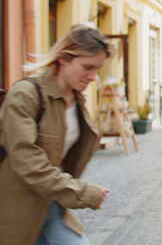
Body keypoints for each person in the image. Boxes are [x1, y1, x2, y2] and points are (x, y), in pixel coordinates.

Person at [0, 24, 112, 245]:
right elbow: (28, 161)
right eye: (87, 67)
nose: (92, 77)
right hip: (16, 208)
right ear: (63, 58)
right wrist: (82, 192)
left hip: (51, 205)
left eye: (97, 69)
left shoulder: (76, 100)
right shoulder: (26, 95)